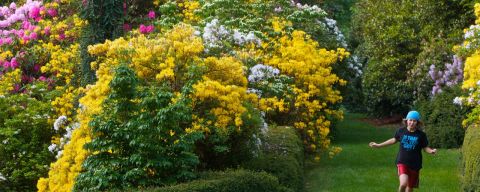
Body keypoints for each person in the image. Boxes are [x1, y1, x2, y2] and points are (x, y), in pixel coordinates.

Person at [369, 111, 437, 192]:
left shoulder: (421, 135)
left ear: (417, 122)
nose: (412, 122)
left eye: (414, 121)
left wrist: (431, 151)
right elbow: (393, 140)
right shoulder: (401, 131)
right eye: (410, 120)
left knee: (409, 188)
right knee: (403, 184)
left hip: (415, 164)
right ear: (406, 120)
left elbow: (425, 147)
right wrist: (378, 145)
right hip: (402, 162)